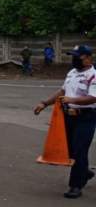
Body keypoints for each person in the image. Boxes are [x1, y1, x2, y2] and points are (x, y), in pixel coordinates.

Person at [34, 44, 96, 199]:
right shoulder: (72, 73)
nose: (74, 59)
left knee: (79, 150)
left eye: (77, 56)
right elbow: (62, 91)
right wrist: (45, 103)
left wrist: (72, 99)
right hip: (68, 116)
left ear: (88, 58)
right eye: (73, 56)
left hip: (86, 117)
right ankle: (84, 171)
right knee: (69, 149)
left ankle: (76, 185)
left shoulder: (93, 75)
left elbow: (93, 97)